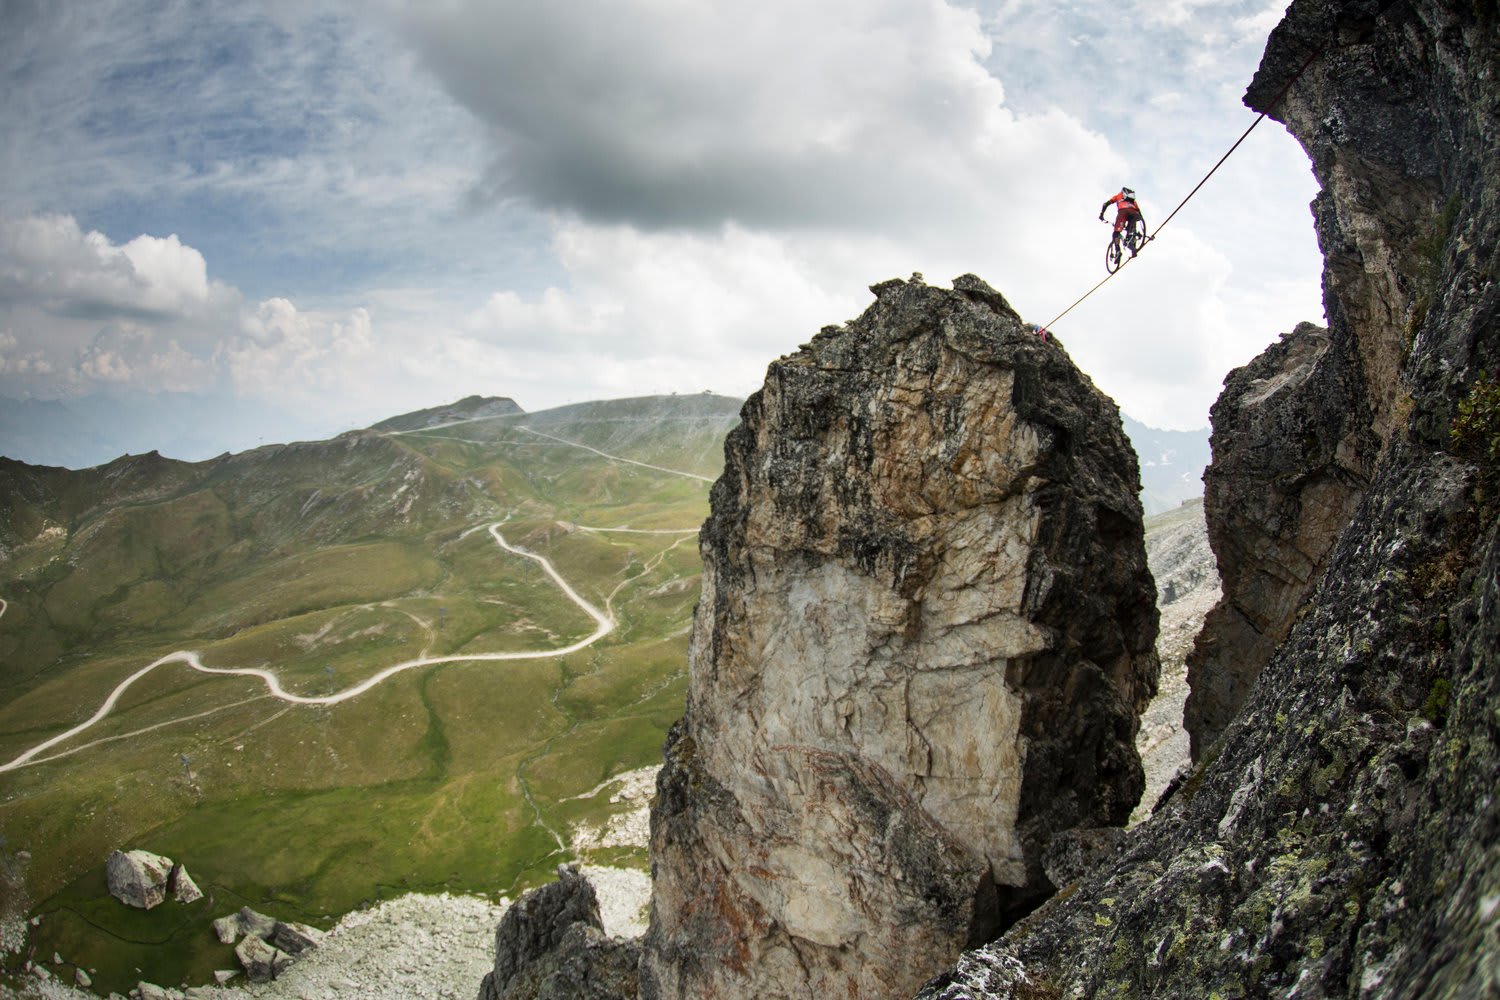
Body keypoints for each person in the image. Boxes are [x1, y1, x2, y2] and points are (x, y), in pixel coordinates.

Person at [1099, 187, 1148, 257]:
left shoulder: (1117, 196)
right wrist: (1141, 219)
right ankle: (1133, 250)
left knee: (1116, 233)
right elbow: (1138, 211)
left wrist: (1101, 214)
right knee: (1131, 230)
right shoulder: (1133, 201)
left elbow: (1105, 204)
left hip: (1123, 212)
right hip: (1134, 213)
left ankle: (1118, 251)